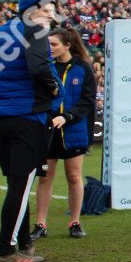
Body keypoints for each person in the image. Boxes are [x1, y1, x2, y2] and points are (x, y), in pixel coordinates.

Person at [0, 0, 59, 262]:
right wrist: (53, 88)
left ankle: (24, 243)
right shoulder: (35, 31)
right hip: (27, 117)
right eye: (46, 9)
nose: (51, 15)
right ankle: (5, 249)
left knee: (18, 183)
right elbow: (39, 68)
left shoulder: (1, 33)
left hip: (2, 118)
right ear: (30, 11)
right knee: (21, 184)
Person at [30, 28, 96, 240]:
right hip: (47, 129)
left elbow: (87, 101)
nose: (50, 48)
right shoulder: (44, 68)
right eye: (47, 44)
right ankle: (40, 224)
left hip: (74, 130)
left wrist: (67, 116)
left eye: (54, 44)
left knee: (74, 176)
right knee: (45, 177)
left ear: (67, 45)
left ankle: (75, 222)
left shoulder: (83, 68)